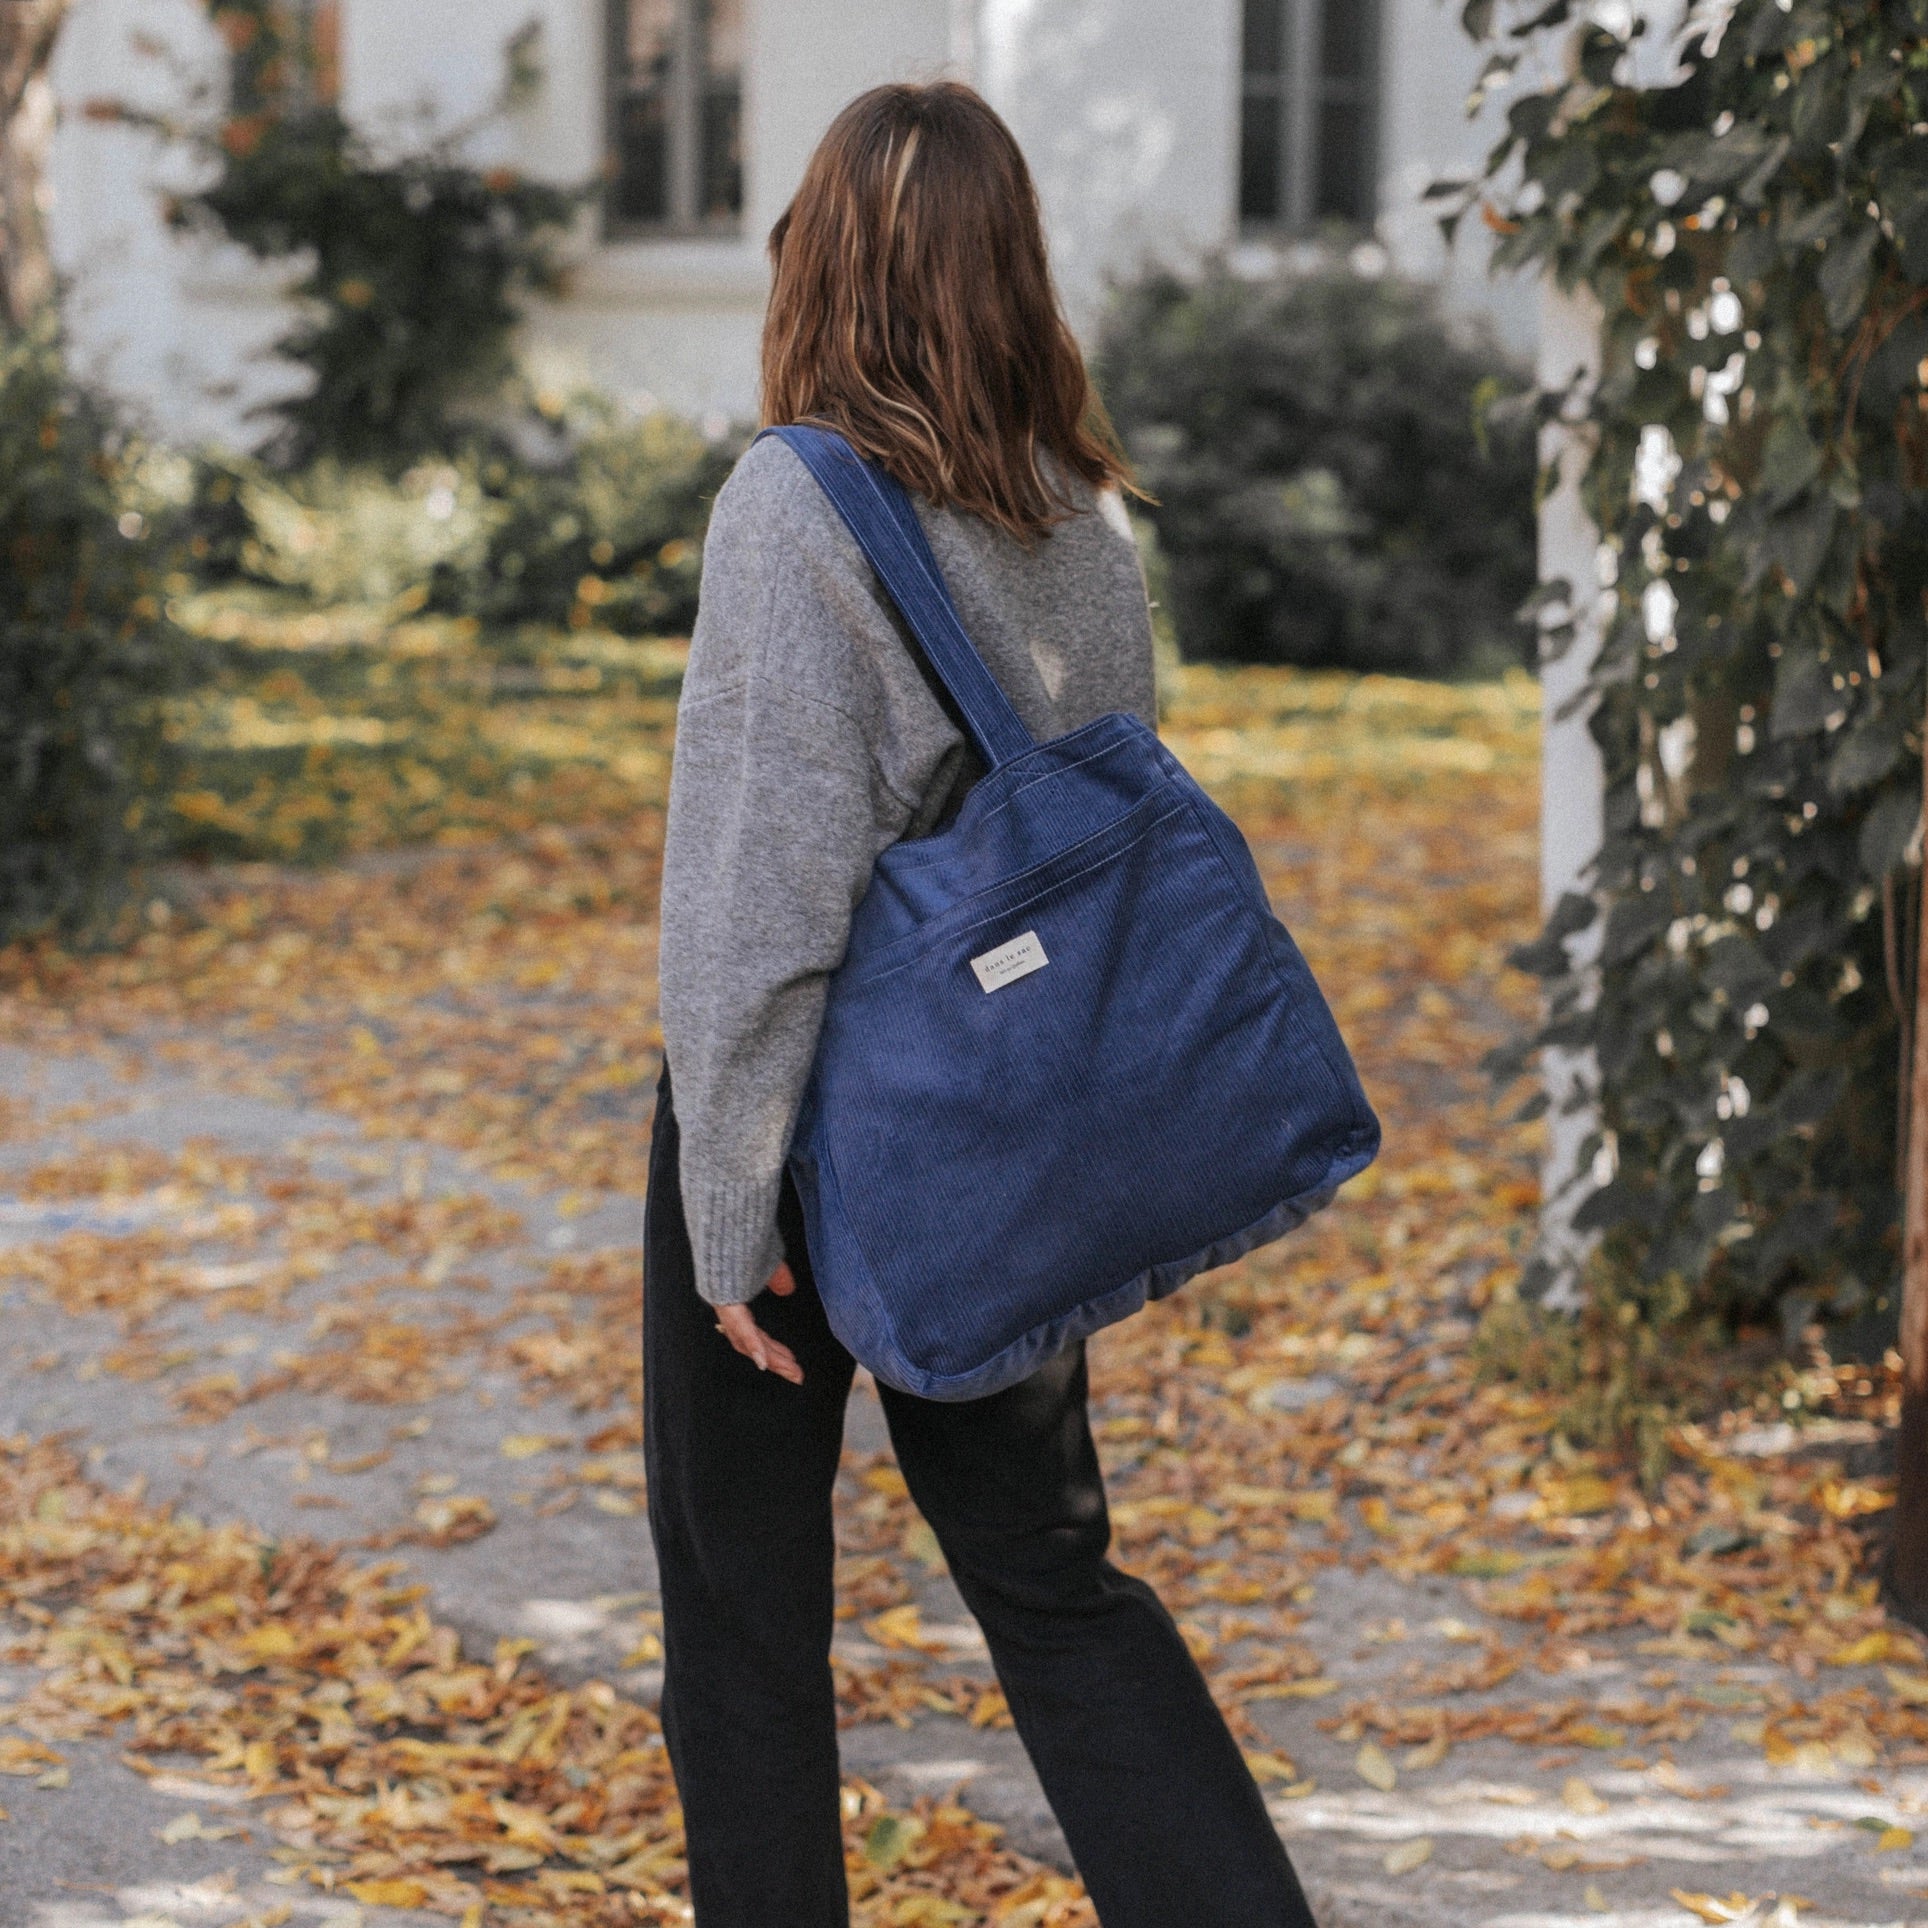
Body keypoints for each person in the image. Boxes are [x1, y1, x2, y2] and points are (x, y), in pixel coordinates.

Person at [647, 79, 1321, 1928]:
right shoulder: (1081, 521)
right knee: (1053, 1579)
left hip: (797, 1127)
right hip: (1006, 1120)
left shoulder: (791, 506)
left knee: (743, 1613)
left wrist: (726, 1198)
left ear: (825, 268)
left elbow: (756, 893)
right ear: (1010, 273)